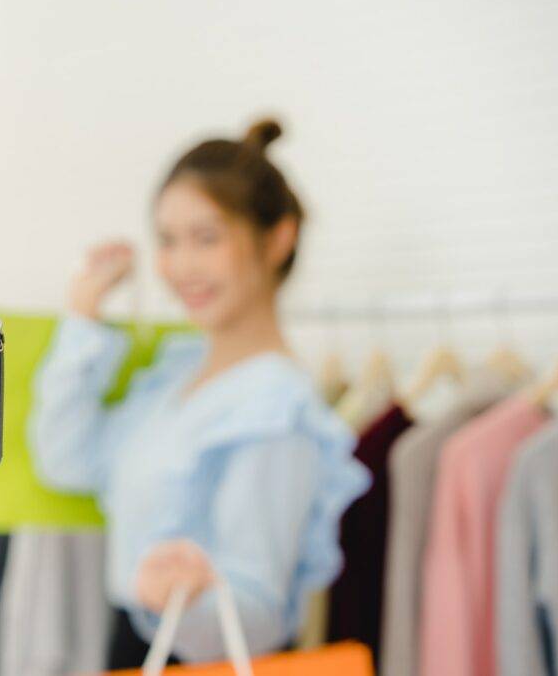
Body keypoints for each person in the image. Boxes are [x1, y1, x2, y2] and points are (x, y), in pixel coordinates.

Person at [30, 119, 371, 668]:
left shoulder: (276, 408)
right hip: (135, 644)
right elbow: (67, 462)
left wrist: (180, 595)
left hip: (189, 657)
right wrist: (85, 317)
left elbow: (257, 616)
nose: (182, 265)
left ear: (278, 238)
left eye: (206, 238)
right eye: (167, 240)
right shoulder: (176, 374)